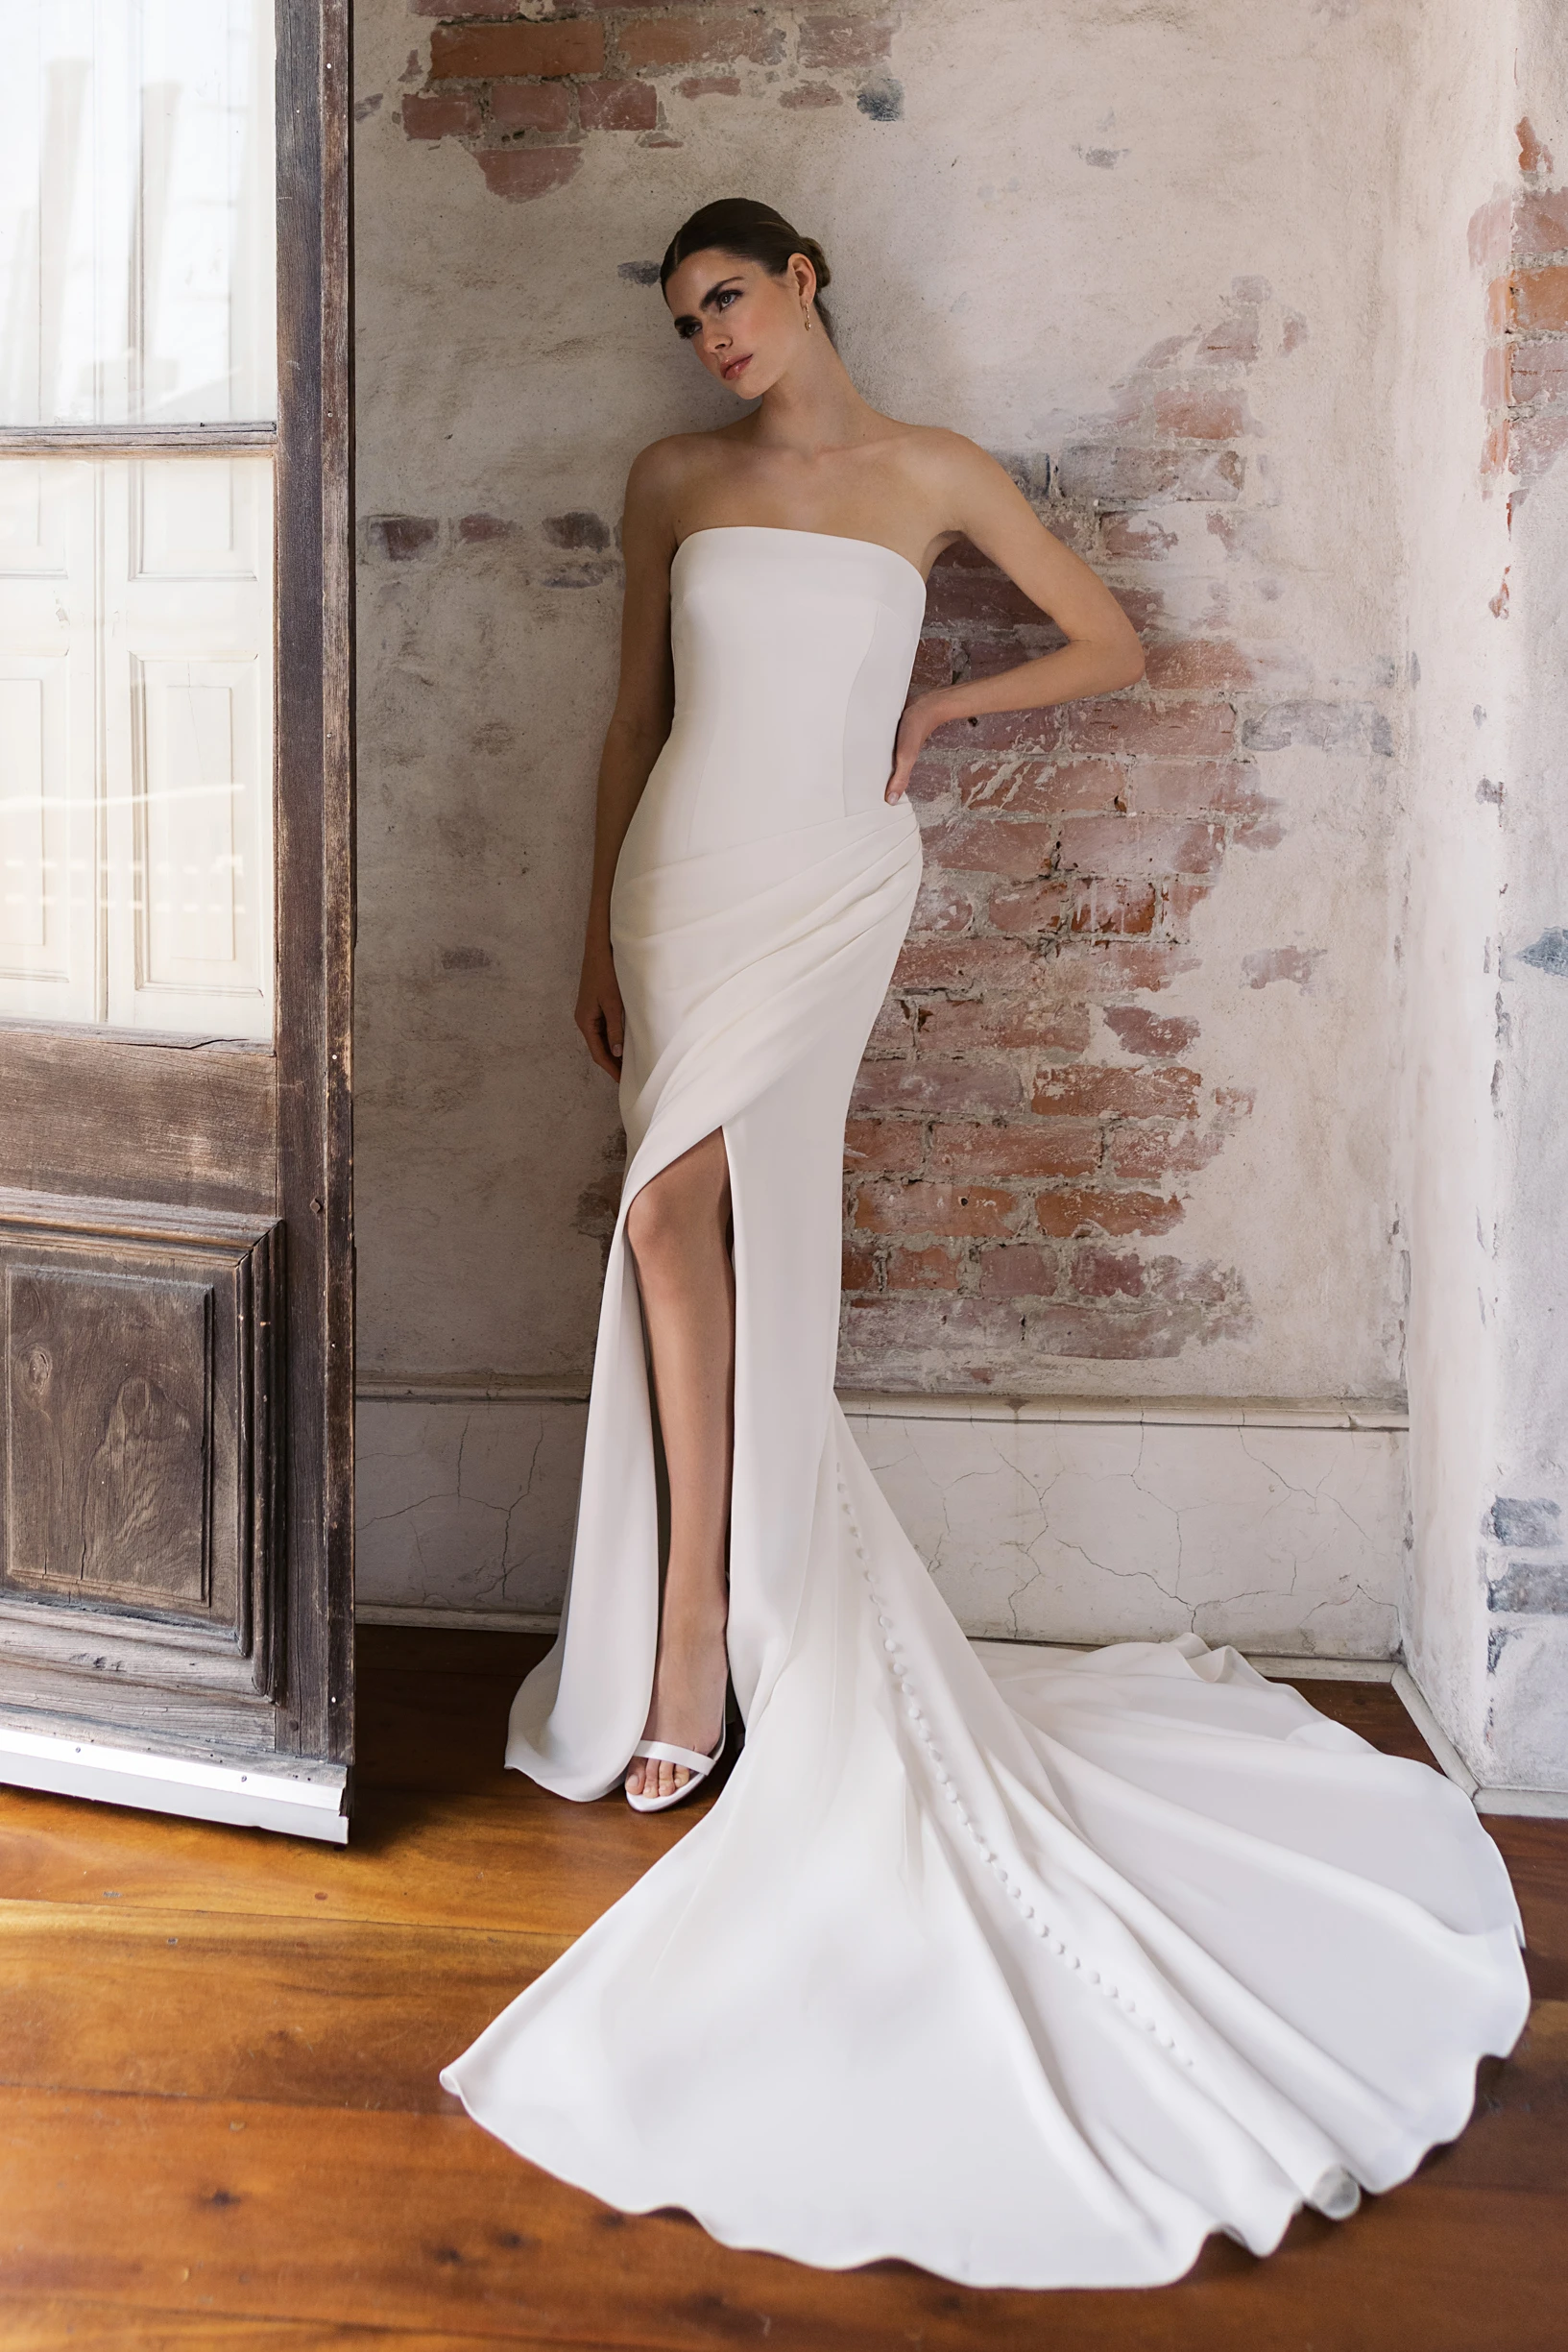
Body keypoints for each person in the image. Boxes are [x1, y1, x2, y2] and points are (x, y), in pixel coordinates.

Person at [440, 199, 1529, 2290]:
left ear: (807, 281)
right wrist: (593, 928)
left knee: (696, 1213)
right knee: (670, 1234)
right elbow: (625, 724)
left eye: (731, 302)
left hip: (834, 881)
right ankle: (695, 1636)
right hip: (685, 883)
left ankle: (702, 1651)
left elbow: (1118, 642)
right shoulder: (672, 480)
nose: (711, 344)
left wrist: (942, 724)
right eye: (685, 323)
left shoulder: (934, 472)